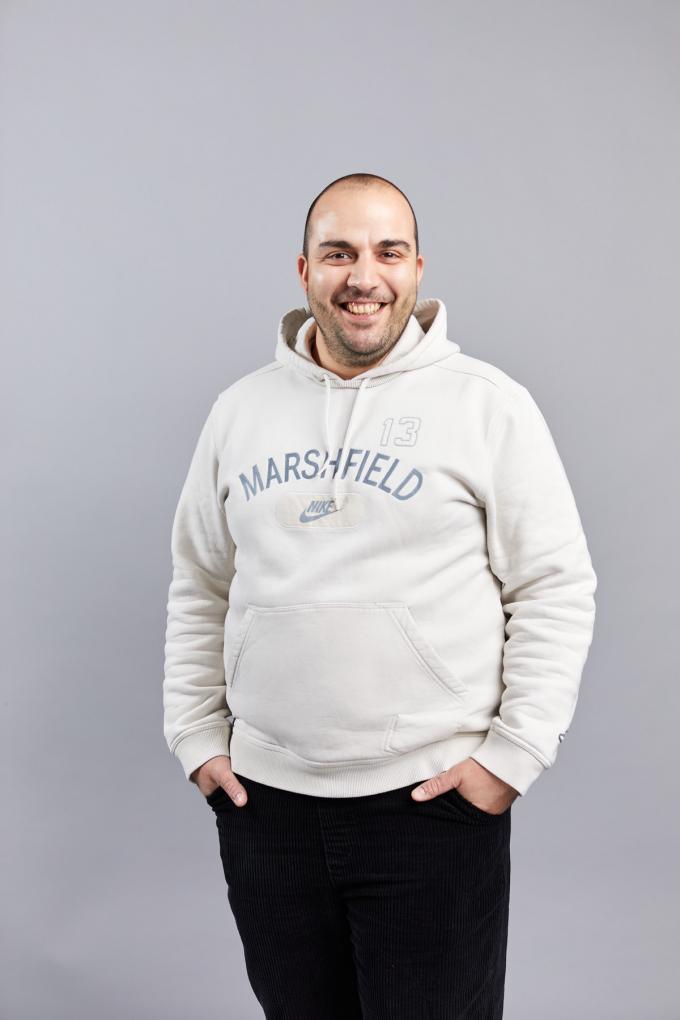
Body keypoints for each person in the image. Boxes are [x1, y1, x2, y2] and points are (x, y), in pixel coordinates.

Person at [162, 172, 597, 1019]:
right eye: (339, 254)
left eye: (387, 252)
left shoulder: (488, 407)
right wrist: (196, 736)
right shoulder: (240, 412)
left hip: (429, 807)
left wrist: (511, 759)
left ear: (417, 268)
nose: (364, 276)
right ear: (304, 271)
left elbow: (553, 586)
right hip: (266, 807)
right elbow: (200, 583)